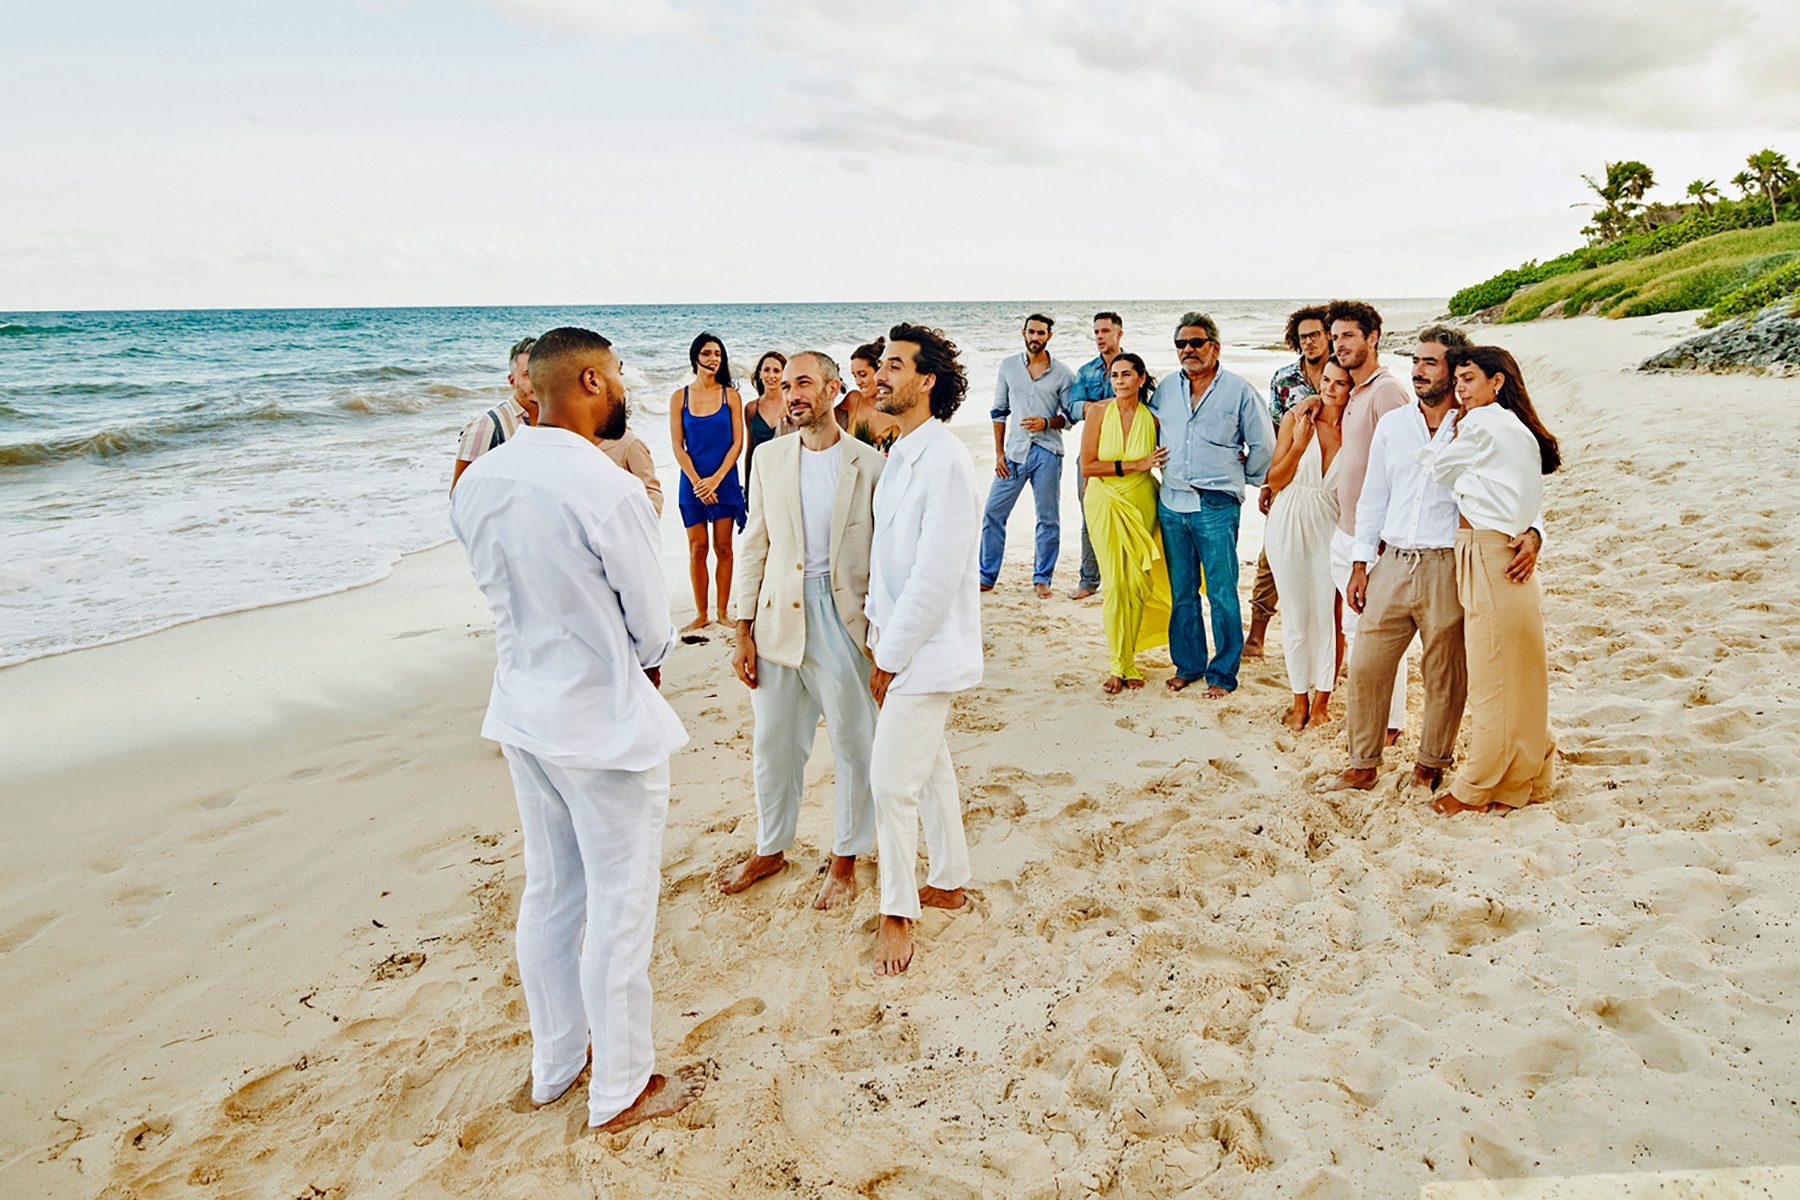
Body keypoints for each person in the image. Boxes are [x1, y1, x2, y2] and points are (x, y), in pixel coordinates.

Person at [449, 326, 705, 1133]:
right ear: (591, 380)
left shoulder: (479, 481)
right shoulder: (606, 488)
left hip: (523, 709)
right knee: (621, 907)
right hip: (599, 721)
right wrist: (639, 656)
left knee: (553, 892)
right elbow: (652, 627)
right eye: (619, 372)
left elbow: (501, 588)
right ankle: (622, 1087)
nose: (625, 385)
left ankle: (557, 1063)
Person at [1318, 329, 1547, 797]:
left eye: (1432, 363)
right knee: (1366, 666)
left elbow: (1518, 483)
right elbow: (1373, 495)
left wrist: (1536, 531)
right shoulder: (1395, 424)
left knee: (1445, 673)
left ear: (1456, 370)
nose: (1419, 370)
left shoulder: (1480, 423)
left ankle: (1430, 765)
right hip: (1393, 562)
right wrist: (1361, 562)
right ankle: (1362, 765)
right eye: (1416, 361)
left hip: (1451, 563)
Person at [720, 350, 885, 909]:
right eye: (786, 384)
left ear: (834, 389)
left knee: (853, 741)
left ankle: (845, 855)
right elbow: (755, 544)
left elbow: (885, 560)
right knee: (773, 744)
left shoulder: (869, 464)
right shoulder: (768, 458)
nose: (792, 394)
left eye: (805, 383)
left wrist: (883, 638)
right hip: (775, 616)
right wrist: (741, 629)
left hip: (843, 619)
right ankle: (771, 847)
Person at [865, 323, 981, 976]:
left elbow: (936, 577)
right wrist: (877, 637)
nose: (881, 375)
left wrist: (890, 656)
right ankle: (951, 879)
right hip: (897, 643)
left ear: (926, 380)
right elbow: (892, 565)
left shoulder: (945, 460)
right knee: (930, 769)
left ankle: (899, 914)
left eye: (894, 365)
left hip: (923, 652)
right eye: (881, 363)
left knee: (891, 783)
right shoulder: (902, 453)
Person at [1423, 344, 1560, 815]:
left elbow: (1438, 469)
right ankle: (1530, 774)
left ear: (1496, 382)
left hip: (1485, 552)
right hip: (1501, 551)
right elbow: (1523, 494)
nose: (1459, 390)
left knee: (1492, 676)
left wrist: (1450, 430)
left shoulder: (1481, 423)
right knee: (1520, 674)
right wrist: (1535, 530)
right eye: (1457, 381)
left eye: (1468, 380)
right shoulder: (1514, 426)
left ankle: (1476, 787)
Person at [1148, 311, 1275, 697]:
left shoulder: (1238, 390)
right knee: (1181, 590)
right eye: (1181, 344)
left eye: (1196, 343)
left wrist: (1246, 477)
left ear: (1214, 347)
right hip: (1171, 503)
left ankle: (1222, 673)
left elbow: (1264, 444)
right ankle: (1188, 665)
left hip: (1216, 505)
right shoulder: (1166, 389)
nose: (1188, 350)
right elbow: (1146, 428)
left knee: (1221, 591)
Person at [1325, 300, 1410, 740]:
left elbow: (1404, 466)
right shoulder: (1356, 391)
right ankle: (1375, 716)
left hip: (1372, 538)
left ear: (1372, 338)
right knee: (1358, 631)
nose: (1340, 345)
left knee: (1379, 635)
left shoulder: (1387, 391)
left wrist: (1380, 536)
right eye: (1335, 337)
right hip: (1347, 531)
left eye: (1348, 336)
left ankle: (1389, 724)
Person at [1262, 358, 1348, 731]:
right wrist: (1298, 447)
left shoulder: (1358, 430)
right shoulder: (1296, 420)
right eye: (1325, 380)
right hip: (1288, 518)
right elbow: (1274, 479)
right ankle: (1299, 698)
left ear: (1352, 388)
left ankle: (1322, 701)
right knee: (1295, 614)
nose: (1329, 388)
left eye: (1339, 383)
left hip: (1331, 523)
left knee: (1329, 615)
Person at [1078, 352, 1172, 693]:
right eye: (1114, 375)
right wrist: (1137, 464)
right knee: (1116, 585)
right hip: (1104, 499)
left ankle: (1129, 653)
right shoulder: (1098, 413)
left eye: (1126, 374)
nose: (1118, 380)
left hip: (1144, 500)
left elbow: (1171, 457)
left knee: (1137, 584)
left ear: (1141, 379)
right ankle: (1121, 665)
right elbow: (1088, 466)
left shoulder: (1154, 419)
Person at [1247, 305, 1330, 658]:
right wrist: (1269, 482)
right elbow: (1273, 431)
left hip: (1332, 477)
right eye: (1302, 337)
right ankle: (1256, 634)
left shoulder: (1345, 376)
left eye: (1314, 335)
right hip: (1291, 475)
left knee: (1330, 557)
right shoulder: (1284, 379)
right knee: (1272, 554)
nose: (1308, 342)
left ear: (1328, 335)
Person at [980, 313, 1075, 598]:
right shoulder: (1008, 366)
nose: (1036, 337)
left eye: (1041, 333)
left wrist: (1047, 423)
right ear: (1023, 333)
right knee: (993, 513)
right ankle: (986, 575)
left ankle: (1042, 578)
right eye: (1031, 332)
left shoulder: (1064, 374)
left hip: (1048, 452)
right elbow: (999, 410)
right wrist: (998, 454)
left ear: (1049, 337)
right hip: (1014, 453)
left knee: (1048, 518)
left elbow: (1070, 417)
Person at [670, 332, 747, 632]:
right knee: (697, 548)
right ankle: (701, 614)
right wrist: (697, 481)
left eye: (717, 354)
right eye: (707, 353)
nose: (713, 359)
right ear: (695, 358)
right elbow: (678, 446)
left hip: (724, 479)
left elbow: (737, 443)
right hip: (691, 480)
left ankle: (723, 611)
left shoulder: (731, 396)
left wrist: (715, 480)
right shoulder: (680, 397)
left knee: (724, 547)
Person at [1067, 311, 1126, 599]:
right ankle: (1088, 581)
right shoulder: (1086, 371)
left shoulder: (1132, 366)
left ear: (1119, 334)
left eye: (1105, 331)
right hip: (1091, 452)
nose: (1100, 337)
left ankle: (1124, 577)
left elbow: (1140, 406)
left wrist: (1094, 406)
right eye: (1096, 332)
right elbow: (1073, 408)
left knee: (1128, 515)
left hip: (1126, 452)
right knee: (1090, 516)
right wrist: (1105, 405)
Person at [452, 336, 538, 490]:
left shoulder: (558, 421)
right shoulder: (487, 424)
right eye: (528, 374)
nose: (537, 380)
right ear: (512, 380)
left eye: (542, 372)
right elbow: (460, 493)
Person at [835, 337, 902, 451]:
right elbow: (824, 423)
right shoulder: (854, 399)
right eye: (854, 376)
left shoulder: (902, 410)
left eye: (862, 374)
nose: (857, 382)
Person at [743, 350, 789, 489]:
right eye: (766, 370)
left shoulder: (792, 406)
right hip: (761, 478)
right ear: (759, 373)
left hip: (787, 478)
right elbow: (750, 449)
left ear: (784, 375)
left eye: (776, 371)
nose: (771, 376)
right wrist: (748, 486)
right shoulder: (751, 409)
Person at [598, 427, 664, 517]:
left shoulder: (629, 442)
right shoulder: (577, 443)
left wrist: (645, 522)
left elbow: (651, 490)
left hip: (622, 523)